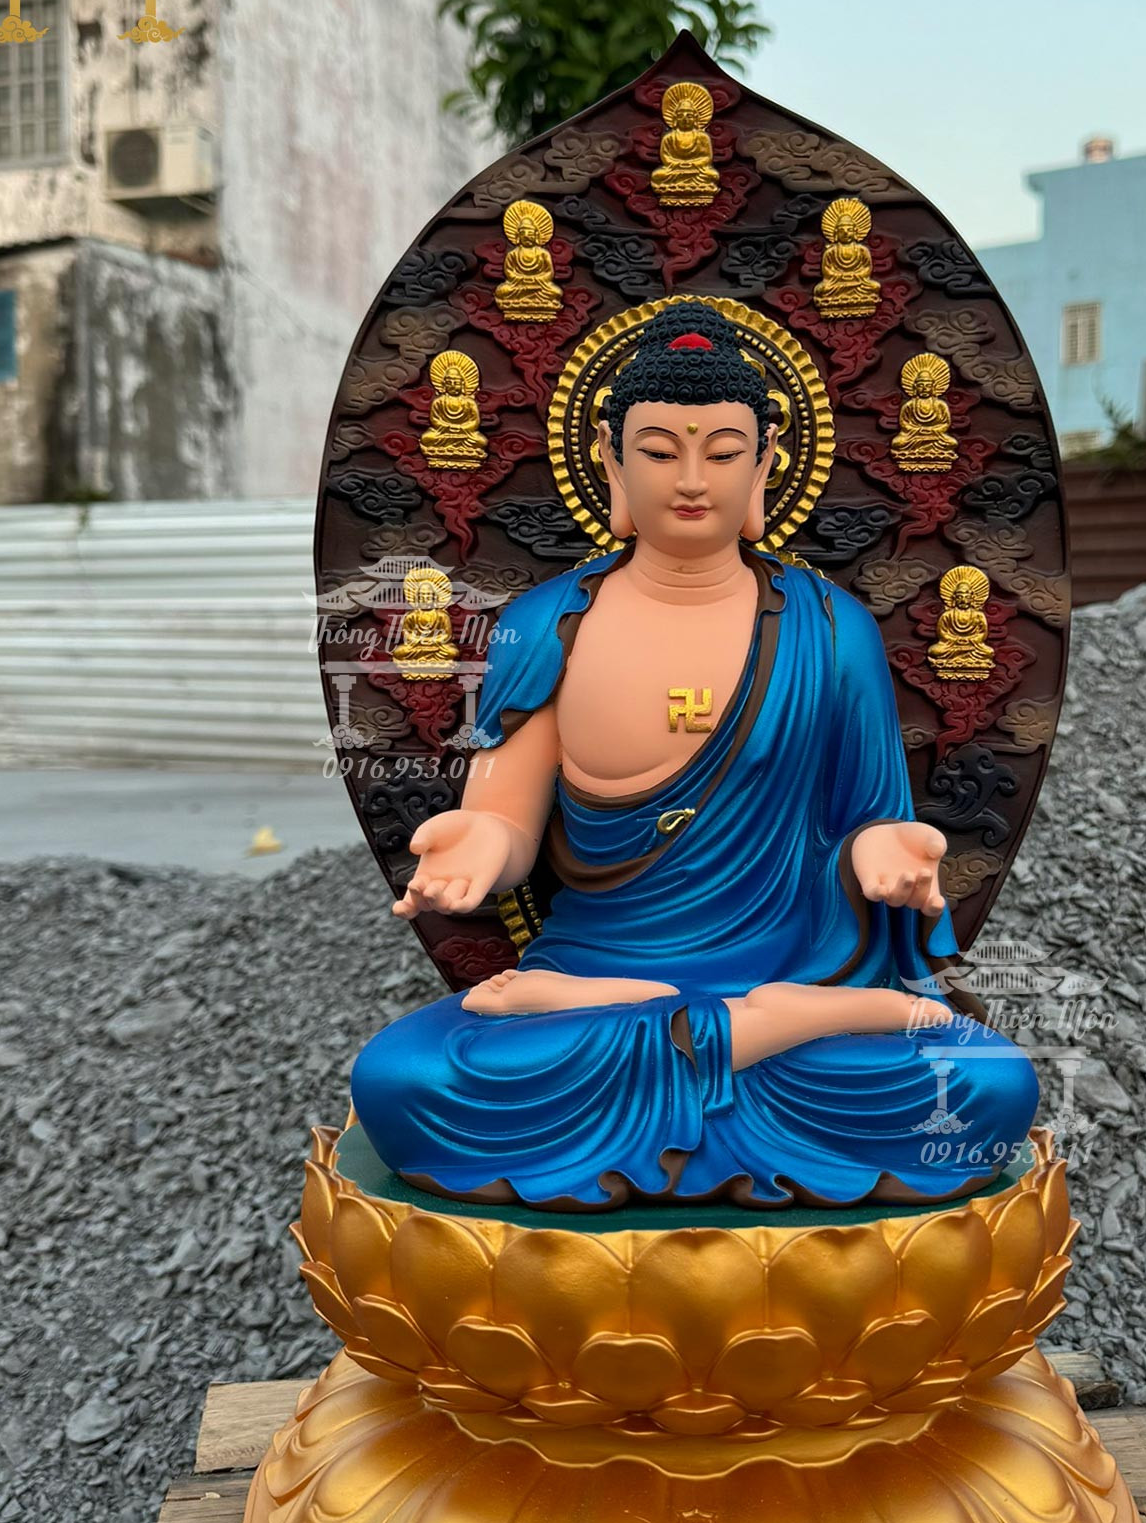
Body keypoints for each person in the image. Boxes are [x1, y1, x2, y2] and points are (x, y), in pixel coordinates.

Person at [351, 303, 1039, 1209]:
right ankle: (742, 1036)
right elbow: (506, 817)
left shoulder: (834, 630)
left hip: (781, 967)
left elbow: (869, 816)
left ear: (765, 464)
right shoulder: (544, 625)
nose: (689, 480)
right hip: (598, 970)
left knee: (988, 1087)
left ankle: (734, 1032)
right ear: (610, 461)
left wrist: (883, 849)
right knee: (402, 1080)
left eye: (721, 453)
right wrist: (480, 842)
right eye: (658, 451)